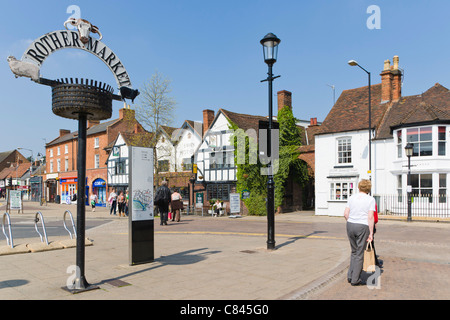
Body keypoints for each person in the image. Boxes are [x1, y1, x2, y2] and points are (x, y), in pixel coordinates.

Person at [344, 179, 375, 286]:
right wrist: (371, 233)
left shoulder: (351, 198)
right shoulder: (370, 199)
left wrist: (351, 221)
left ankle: (350, 275)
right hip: (362, 226)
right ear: (368, 188)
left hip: (350, 224)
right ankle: (355, 279)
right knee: (360, 253)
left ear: (359, 187)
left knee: (353, 251)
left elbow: (345, 213)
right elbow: (370, 217)